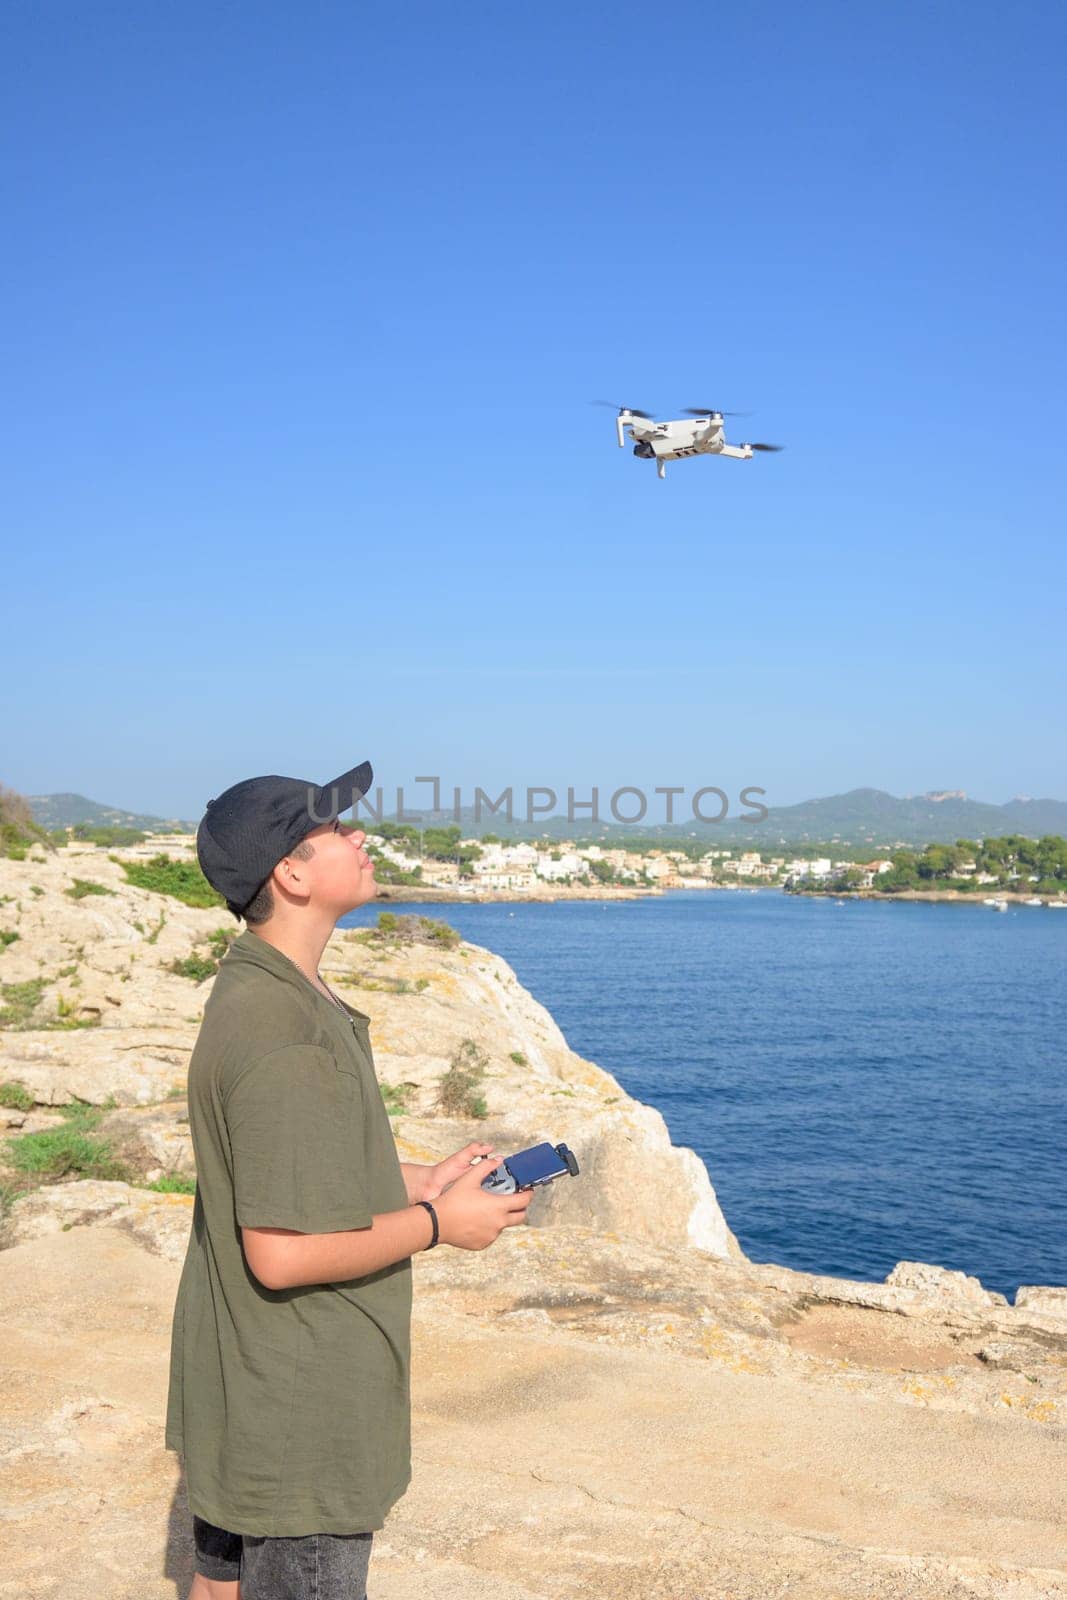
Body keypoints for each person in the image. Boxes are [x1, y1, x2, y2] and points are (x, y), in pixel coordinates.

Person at [164, 760, 533, 1600]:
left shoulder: (270, 987)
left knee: (219, 1579)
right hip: (302, 1406)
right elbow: (283, 1255)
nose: (359, 834)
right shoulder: (284, 1034)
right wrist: (444, 1223)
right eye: (333, 827)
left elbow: (284, 1165)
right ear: (290, 873)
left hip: (244, 1381)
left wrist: (418, 1178)